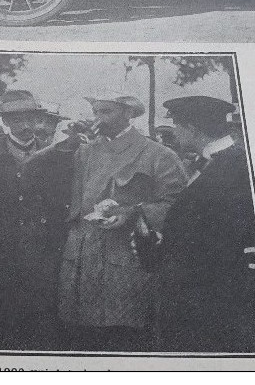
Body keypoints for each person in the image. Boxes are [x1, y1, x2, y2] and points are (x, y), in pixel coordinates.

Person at [134, 96, 255, 354]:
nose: (174, 133)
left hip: (211, 296)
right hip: (209, 291)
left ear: (192, 129)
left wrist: (157, 247)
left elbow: (218, 238)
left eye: (177, 126)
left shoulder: (230, 167)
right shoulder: (219, 162)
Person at [58, 92, 186, 352]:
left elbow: (178, 206)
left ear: (129, 113)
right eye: (96, 112)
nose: (98, 119)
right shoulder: (84, 153)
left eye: (107, 112)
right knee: (81, 340)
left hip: (126, 265)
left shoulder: (157, 154)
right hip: (81, 265)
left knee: (122, 339)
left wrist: (131, 213)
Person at [0, 90, 63, 350]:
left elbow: (57, 208)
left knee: (34, 332)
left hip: (38, 259)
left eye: (30, 118)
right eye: (17, 119)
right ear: (6, 122)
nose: (26, 125)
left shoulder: (53, 156)